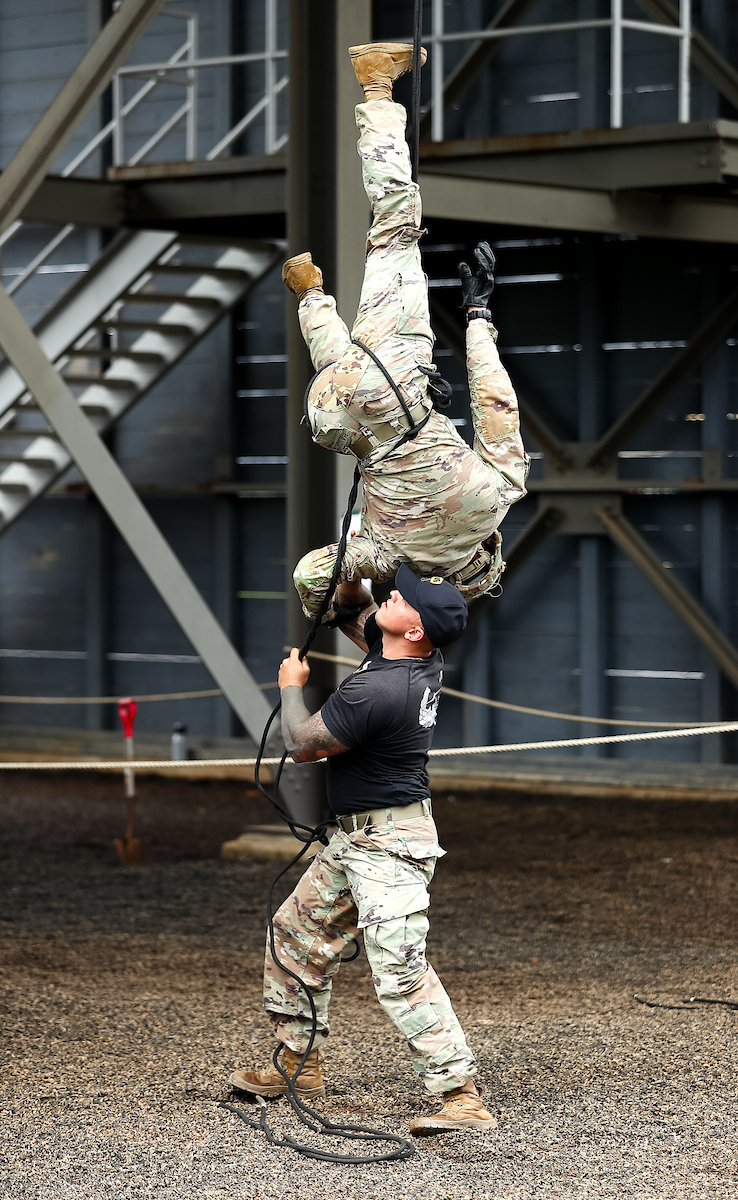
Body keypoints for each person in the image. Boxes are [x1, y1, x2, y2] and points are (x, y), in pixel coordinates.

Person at [229, 566, 497, 1136]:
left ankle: (461, 1097)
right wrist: (348, 571)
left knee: (399, 967)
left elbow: (302, 745)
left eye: (404, 598)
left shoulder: (381, 689)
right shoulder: (407, 655)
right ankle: (298, 1067)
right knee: (295, 932)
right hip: (358, 838)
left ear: (417, 630)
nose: (393, 595)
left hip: (389, 846)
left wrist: (290, 685)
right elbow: (347, 611)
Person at [283, 42, 529, 625]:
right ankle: (311, 296)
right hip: (331, 419)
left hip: (389, 390)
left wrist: (477, 316)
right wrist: (352, 625)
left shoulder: (498, 499)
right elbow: (311, 572)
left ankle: (376, 89)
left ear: (488, 551)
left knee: (396, 226)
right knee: (354, 384)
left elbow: (495, 399)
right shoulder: (393, 558)